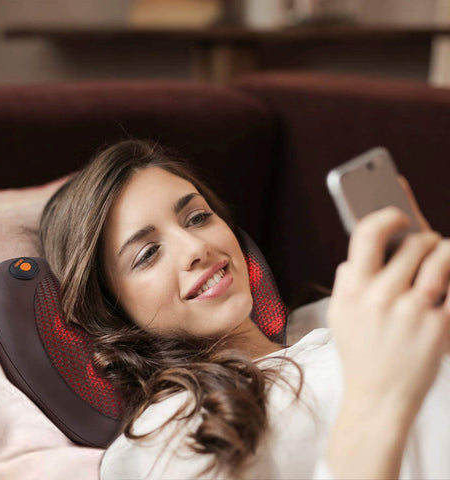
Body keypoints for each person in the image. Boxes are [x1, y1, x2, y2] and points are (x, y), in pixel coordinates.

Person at [40, 139, 450, 479]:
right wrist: (378, 396)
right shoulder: (169, 431)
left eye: (198, 217)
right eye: (148, 254)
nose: (196, 247)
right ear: (111, 308)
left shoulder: (345, 311)